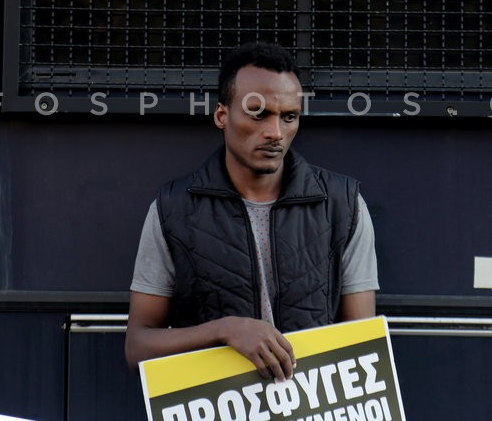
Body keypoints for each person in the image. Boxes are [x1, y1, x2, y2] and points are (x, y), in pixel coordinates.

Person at [124, 42, 378, 380]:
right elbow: (138, 348)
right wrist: (226, 330)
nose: (275, 133)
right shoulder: (174, 208)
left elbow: (361, 347)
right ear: (221, 116)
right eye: (258, 114)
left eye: (289, 117)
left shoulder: (343, 205)